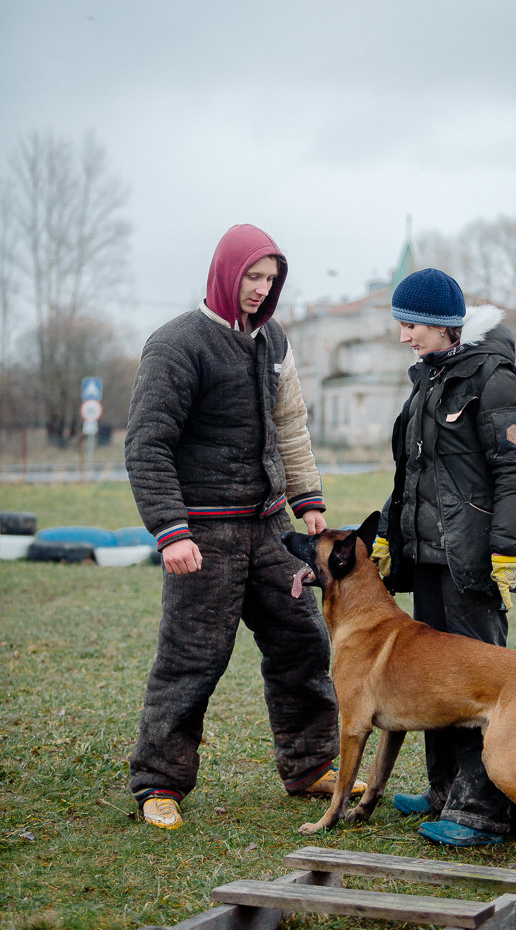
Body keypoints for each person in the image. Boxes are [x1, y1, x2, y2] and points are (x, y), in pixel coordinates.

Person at [125, 223, 362, 829]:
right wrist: (171, 531)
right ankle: (159, 783)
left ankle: (310, 765)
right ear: (226, 273)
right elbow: (148, 445)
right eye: (253, 277)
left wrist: (307, 498)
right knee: (191, 659)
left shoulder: (273, 339)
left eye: (271, 280)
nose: (261, 289)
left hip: (269, 527)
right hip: (202, 533)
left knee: (303, 642)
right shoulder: (177, 344)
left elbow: (291, 426)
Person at [372, 267, 516, 849]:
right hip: (427, 558)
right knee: (432, 681)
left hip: (472, 560)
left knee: (479, 684)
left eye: (411, 324)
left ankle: (484, 811)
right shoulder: (428, 380)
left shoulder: (493, 378)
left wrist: (506, 551)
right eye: (401, 325)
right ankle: (444, 790)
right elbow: (413, 473)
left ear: (445, 325)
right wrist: (391, 534)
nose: (404, 337)